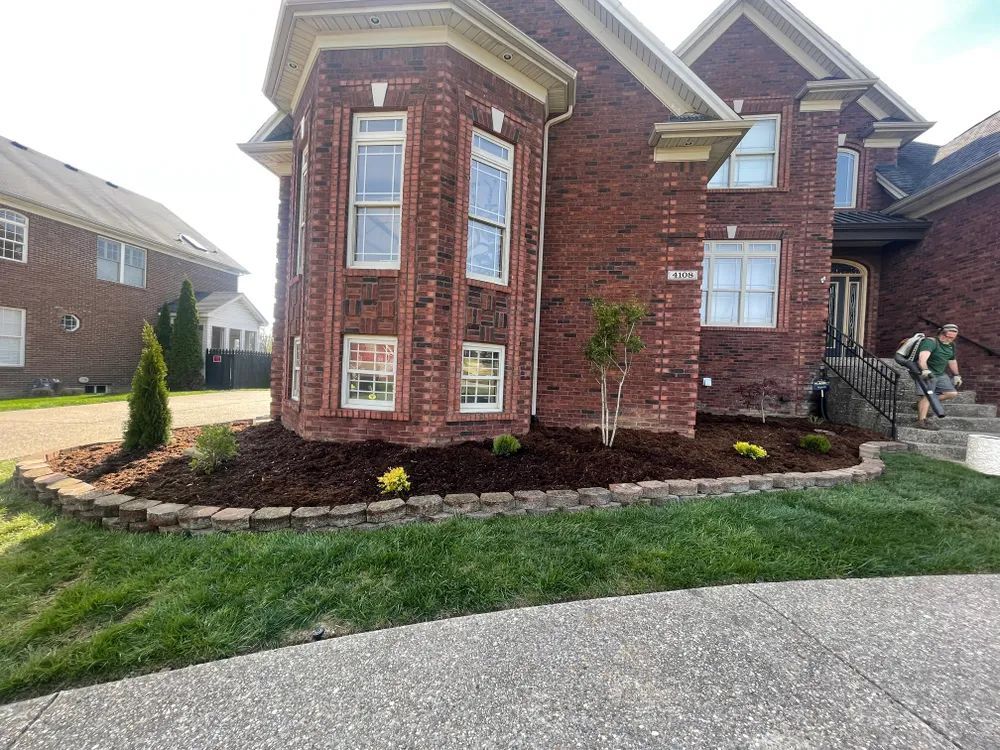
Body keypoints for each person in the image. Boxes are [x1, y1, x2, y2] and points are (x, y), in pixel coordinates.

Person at [914, 324, 963, 430]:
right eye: (948, 337)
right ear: (942, 333)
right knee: (928, 395)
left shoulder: (951, 345)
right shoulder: (930, 342)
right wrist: (925, 370)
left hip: (940, 374)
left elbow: (952, 360)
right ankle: (921, 421)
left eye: (952, 338)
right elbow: (922, 358)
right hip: (926, 372)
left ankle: (922, 404)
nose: (950, 339)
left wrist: (956, 375)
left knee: (951, 393)